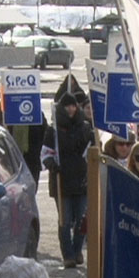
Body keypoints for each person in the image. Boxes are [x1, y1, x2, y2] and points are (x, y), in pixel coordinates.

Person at [41, 92, 94, 268]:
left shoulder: (84, 127)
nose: (70, 109)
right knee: (65, 220)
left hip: (81, 181)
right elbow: (45, 153)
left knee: (82, 219)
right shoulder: (54, 131)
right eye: (67, 106)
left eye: (73, 106)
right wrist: (51, 164)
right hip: (61, 181)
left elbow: (91, 149)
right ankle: (68, 254)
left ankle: (77, 249)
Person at [0, 102, 50, 190]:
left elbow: (45, 134)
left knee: (30, 191)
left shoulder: (35, 112)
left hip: (31, 162)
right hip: (9, 161)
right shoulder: (5, 109)